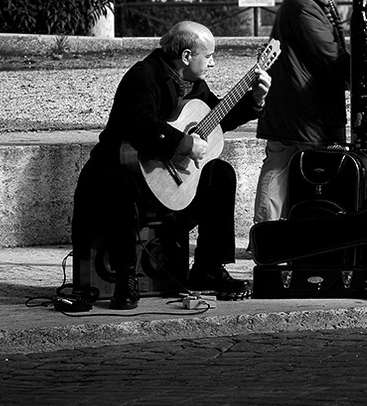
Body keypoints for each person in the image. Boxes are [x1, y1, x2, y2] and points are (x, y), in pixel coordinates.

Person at [71, 21, 271, 310]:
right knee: (119, 185)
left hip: (168, 186)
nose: (212, 63)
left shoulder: (194, 84)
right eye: (209, 55)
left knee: (221, 174)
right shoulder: (142, 77)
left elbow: (216, 118)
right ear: (188, 56)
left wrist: (255, 101)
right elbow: (141, 126)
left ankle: (208, 268)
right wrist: (185, 144)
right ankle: (125, 279)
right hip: (120, 175)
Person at [254, 0, 350, 223]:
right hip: (303, 109)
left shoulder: (303, 1)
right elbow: (329, 54)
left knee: (277, 167)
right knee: (300, 172)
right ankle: (278, 234)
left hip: (289, 106)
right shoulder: (304, 6)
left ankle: (264, 234)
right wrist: (366, 74)